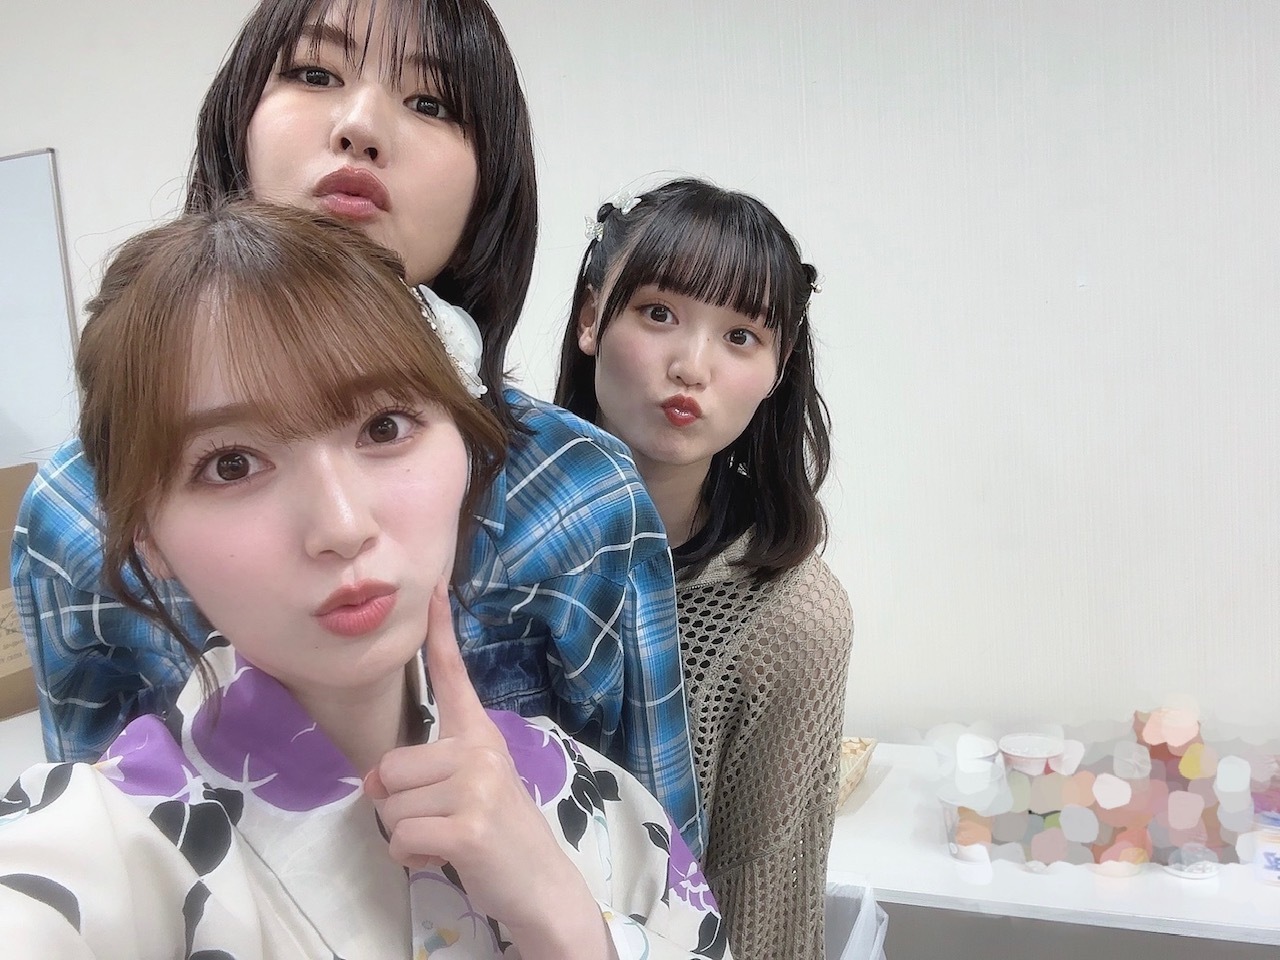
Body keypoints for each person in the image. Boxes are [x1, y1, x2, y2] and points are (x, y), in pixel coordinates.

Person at [11, 0, 703, 854]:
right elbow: (90, 842)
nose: (362, 126)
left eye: (432, 102)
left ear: (489, 186)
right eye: (314, 73)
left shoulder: (579, 495)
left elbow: (663, 860)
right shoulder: (78, 510)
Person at [0, 202, 728, 959]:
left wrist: (563, 919)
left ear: (465, 447)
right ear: (146, 535)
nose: (342, 525)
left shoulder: (601, 803)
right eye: (231, 464)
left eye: (384, 427)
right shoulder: (96, 853)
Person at [555, 177, 854, 960]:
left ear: (779, 367)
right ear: (591, 318)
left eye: (741, 336)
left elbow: (762, 896)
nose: (691, 366)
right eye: (659, 314)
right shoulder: (473, 517)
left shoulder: (790, 616)